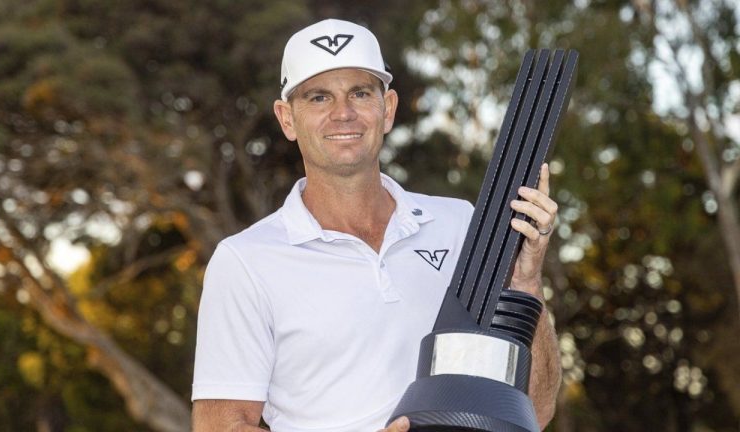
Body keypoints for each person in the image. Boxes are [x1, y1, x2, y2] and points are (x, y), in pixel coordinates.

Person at [191, 18, 561, 432]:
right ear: (287, 119)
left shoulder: (460, 225)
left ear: (387, 110)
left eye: (360, 93)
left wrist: (527, 282)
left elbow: (534, 411)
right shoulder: (246, 261)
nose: (343, 113)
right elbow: (219, 427)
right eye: (318, 98)